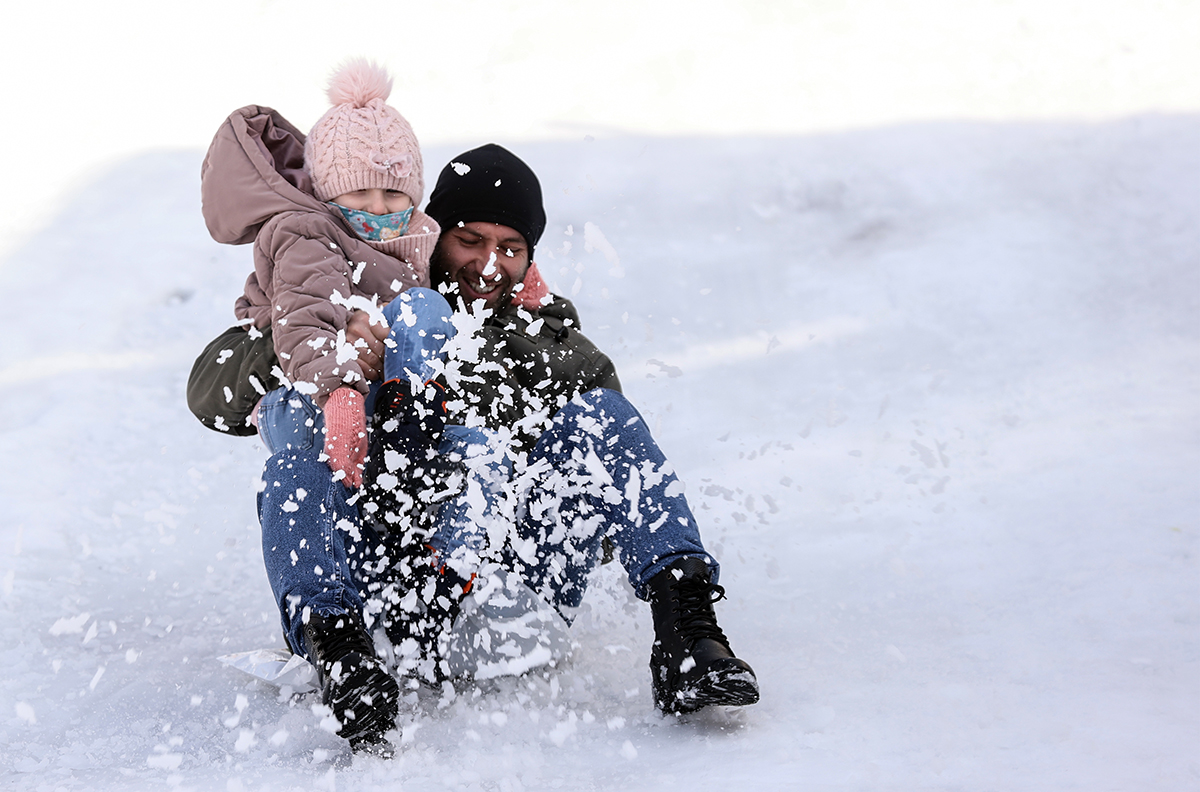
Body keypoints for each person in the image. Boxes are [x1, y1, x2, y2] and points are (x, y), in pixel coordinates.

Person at [197, 76, 759, 756]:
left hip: (510, 583)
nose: (489, 263)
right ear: (429, 238)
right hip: (384, 578)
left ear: (530, 259)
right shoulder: (358, 299)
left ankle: (688, 633)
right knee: (297, 457)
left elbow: (615, 463)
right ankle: (339, 649)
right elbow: (211, 390)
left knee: (603, 417)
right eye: (470, 239)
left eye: (511, 247)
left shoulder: (545, 334)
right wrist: (336, 361)